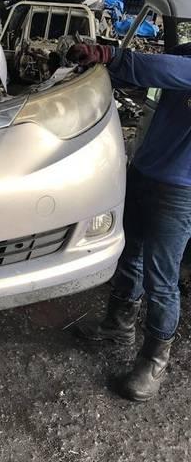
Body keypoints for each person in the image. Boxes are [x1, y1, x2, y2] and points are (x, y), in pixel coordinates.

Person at [65, 42, 191, 402]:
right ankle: (118, 325)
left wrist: (112, 56)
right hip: (144, 171)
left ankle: (154, 361)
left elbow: (162, 68)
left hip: (181, 190)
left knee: (161, 278)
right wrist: (101, 68)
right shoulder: (186, 54)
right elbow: (149, 74)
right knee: (129, 253)